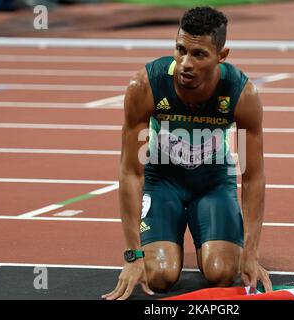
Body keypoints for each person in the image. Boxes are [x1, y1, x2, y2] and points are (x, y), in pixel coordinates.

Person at [102, 6, 272, 300]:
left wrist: (252, 251)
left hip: (213, 183)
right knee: (159, 276)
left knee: (221, 273)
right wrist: (132, 255)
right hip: (162, 180)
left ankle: (211, 235)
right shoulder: (146, 85)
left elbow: (253, 175)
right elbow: (131, 171)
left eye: (199, 54)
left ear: (222, 55)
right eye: (180, 49)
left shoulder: (242, 95)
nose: (185, 63)